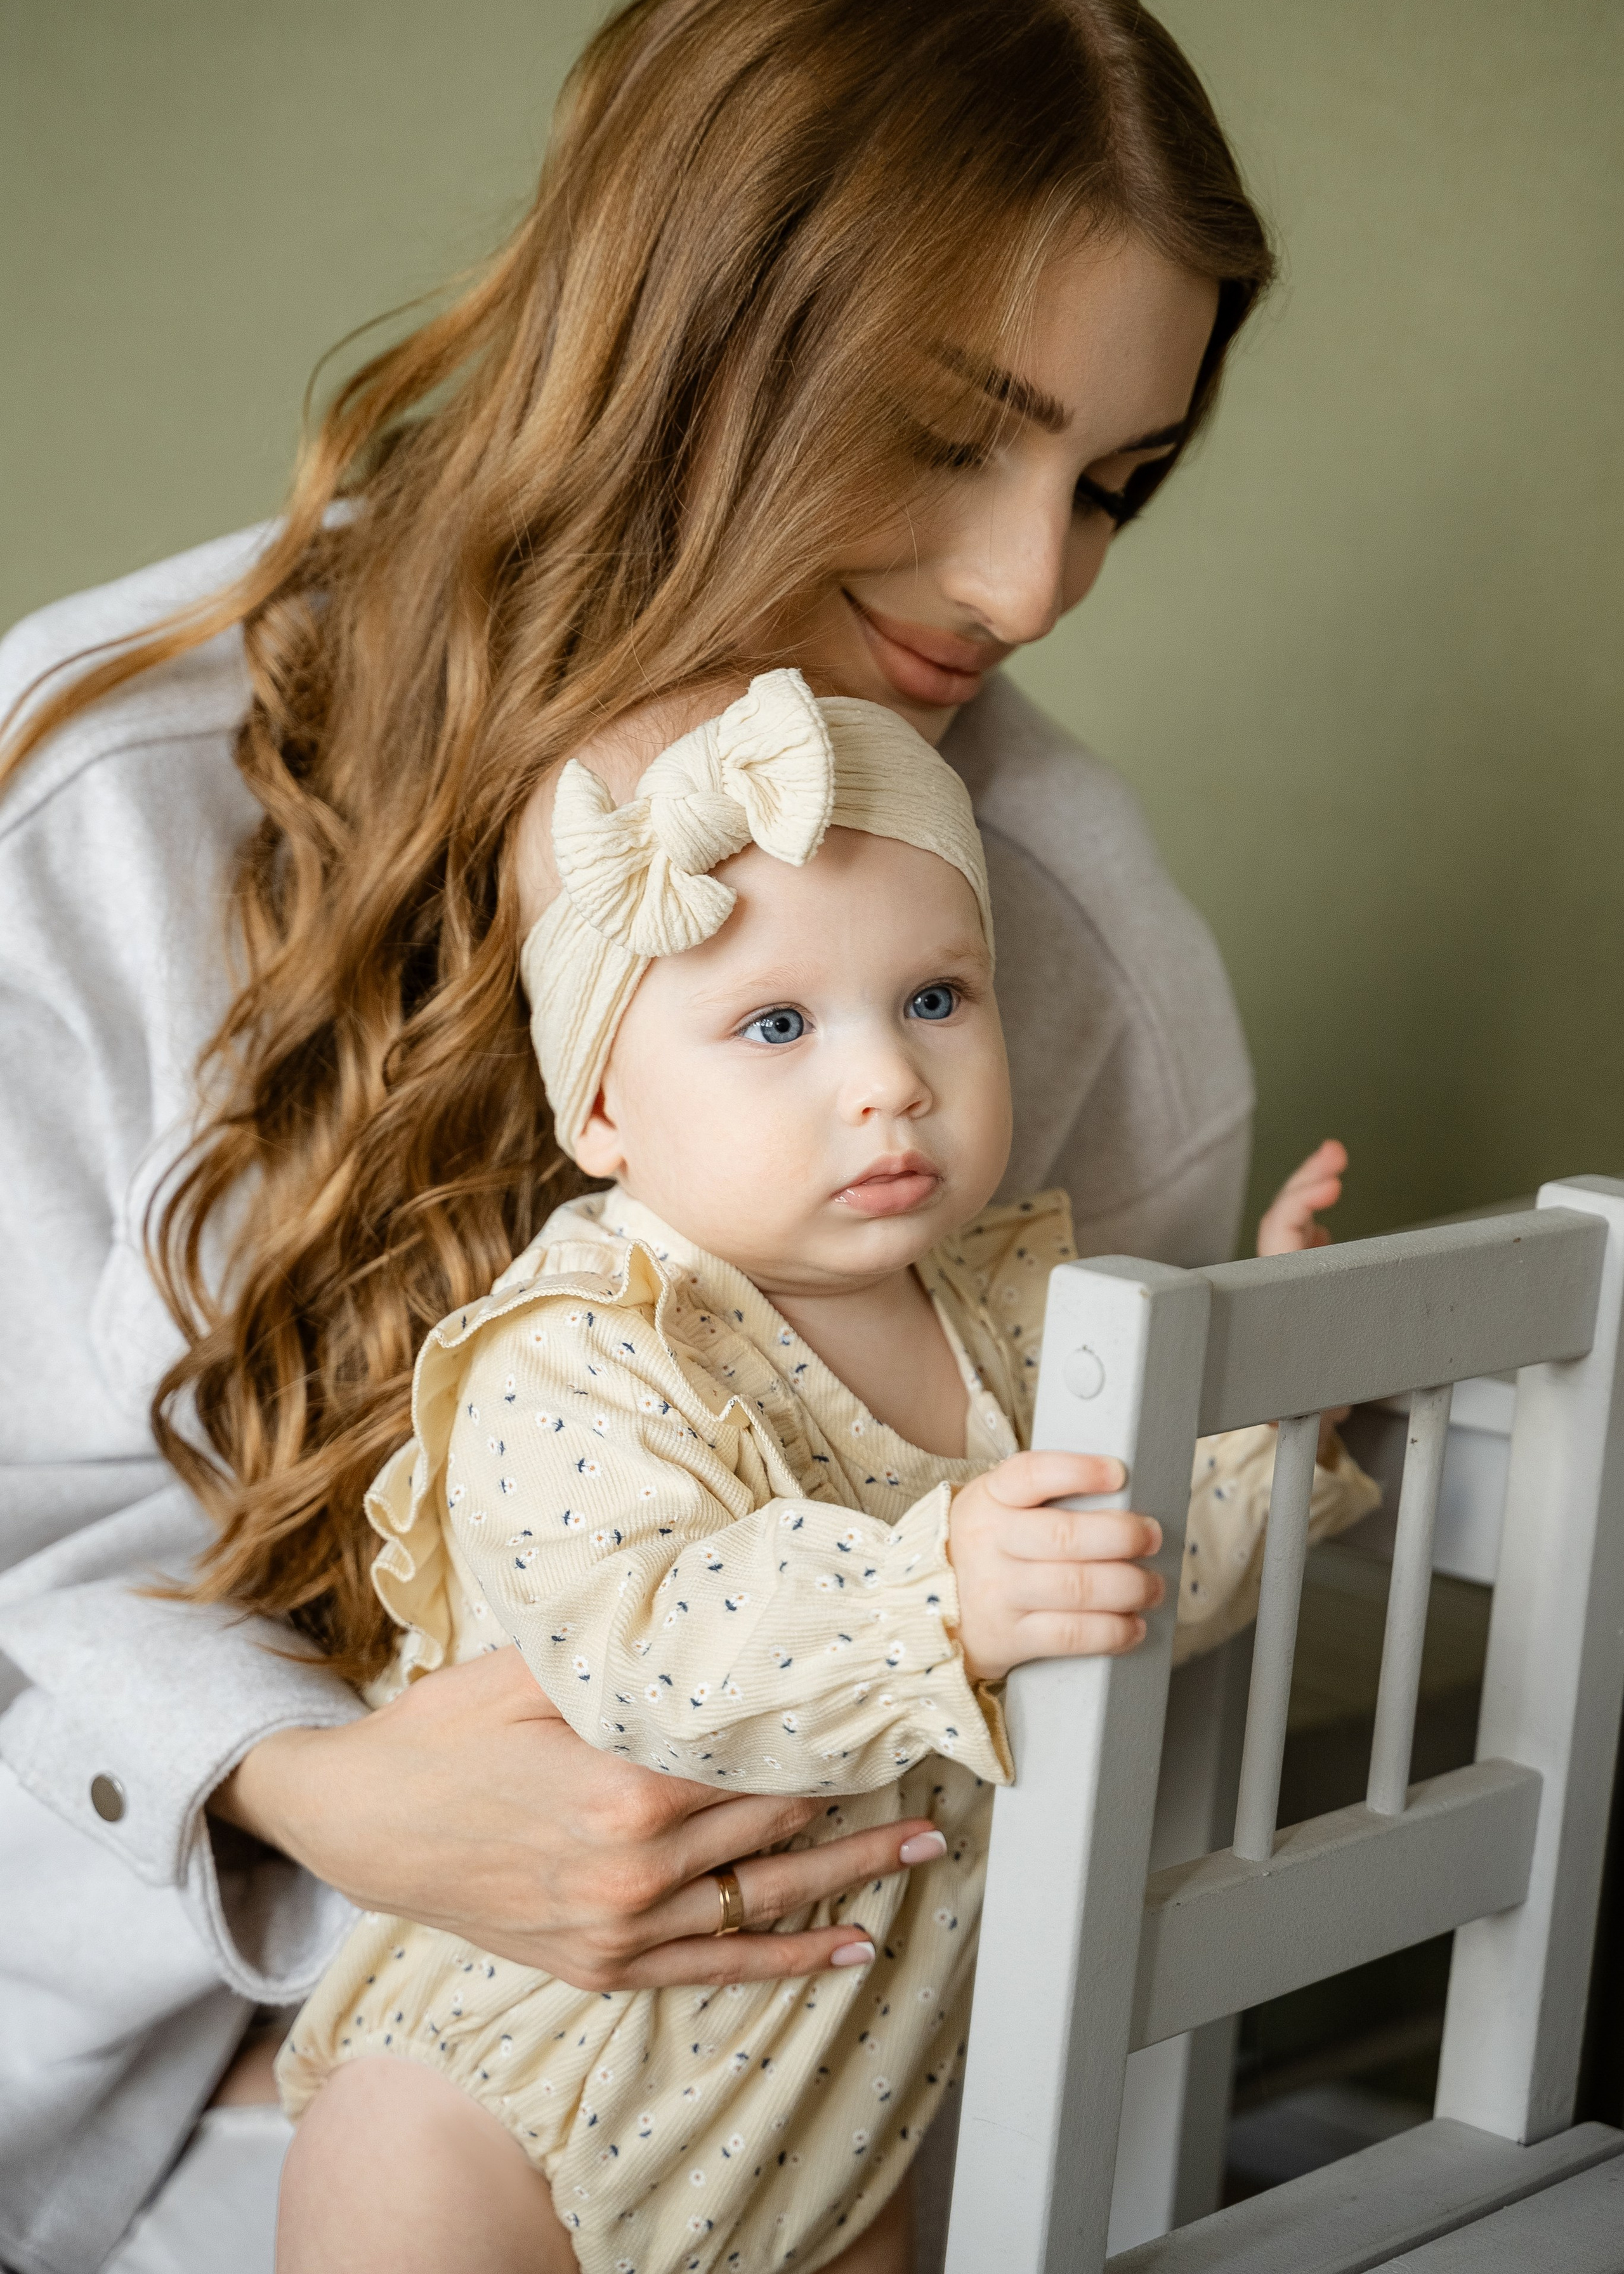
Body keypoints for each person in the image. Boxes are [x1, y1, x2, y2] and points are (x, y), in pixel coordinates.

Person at [0, 0, 1292, 2271]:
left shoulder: (1069, 948)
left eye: (1118, 481)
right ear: (687, 332)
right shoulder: (98, 811)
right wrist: (312, 1785)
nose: (1031, 583)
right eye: (959, 435)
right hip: (107, 2081)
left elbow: (1110, 1720)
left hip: (794, 2133)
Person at [270, 674, 1373, 2273]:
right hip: (516, 2087)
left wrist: (1280, 1414)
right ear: (599, 1108)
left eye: (935, 997)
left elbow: (1125, 1571)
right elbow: (648, 1650)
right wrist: (940, 1592)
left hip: (828, 2123)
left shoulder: (1015, 1317)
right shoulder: (586, 1348)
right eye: (776, 1024)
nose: (888, 1081)